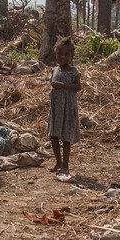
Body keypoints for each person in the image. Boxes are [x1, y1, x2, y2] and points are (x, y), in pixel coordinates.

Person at [47, 37, 81, 180]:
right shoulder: (55, 70)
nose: (63, 57)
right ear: (55, 54)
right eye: (60, 54)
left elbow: (78, 87)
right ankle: (58, 162)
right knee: (53, 135)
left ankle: (65, 165)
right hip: (56, 109)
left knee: (66, 138)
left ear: (71, 56)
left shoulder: (74, 72)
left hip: (68, 109)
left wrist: (63, 86)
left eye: (66, 54)